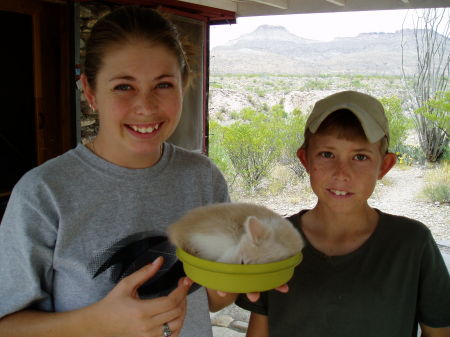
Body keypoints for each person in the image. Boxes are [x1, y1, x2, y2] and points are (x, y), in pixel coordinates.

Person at [0, 6, 230, 337]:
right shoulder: (44, 193)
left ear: (185, 84)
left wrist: (238, 279)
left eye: (163, 85)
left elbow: (211, 299)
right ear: (90, 92)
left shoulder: (204, 179)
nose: (146, 106)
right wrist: (96, 323)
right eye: (124, 86)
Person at [236, 90, 450, 337]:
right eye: (327, 154)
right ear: (305, 160)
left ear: (385, 165)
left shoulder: (412, 244)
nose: (341, 173)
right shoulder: (271, 241)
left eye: (360, 157)